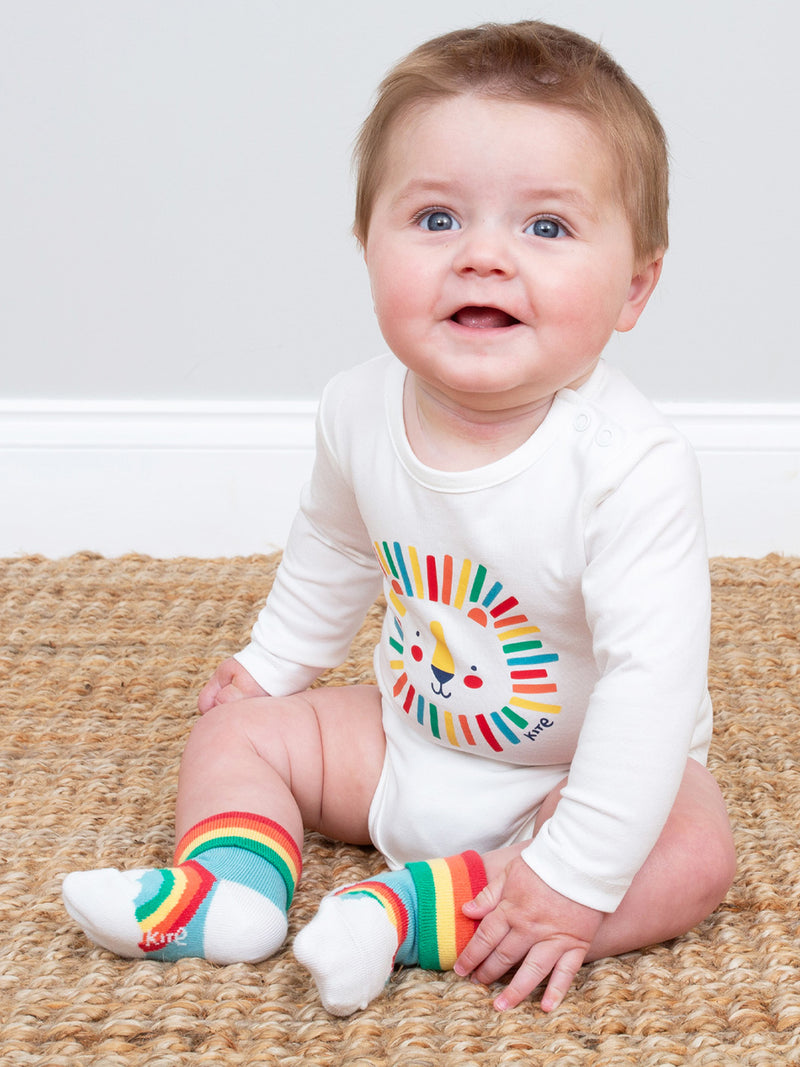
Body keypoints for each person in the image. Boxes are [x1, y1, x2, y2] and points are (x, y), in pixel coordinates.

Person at [62, 20, 736, 1016]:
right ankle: (231, 892)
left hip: (575, 769)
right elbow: (334, 540)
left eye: (544, 227)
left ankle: (405, 908)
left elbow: (648, 686)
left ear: (633, 284)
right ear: (365, 242)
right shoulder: (356, 408)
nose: (482, 258)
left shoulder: (627, 468)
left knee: (691, 848)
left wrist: (576, 873)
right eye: (433, 219)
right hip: (407, 734)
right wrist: (275, 662)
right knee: (237, 731)